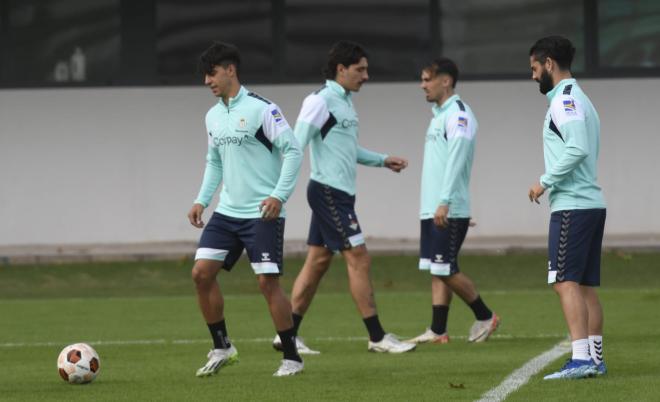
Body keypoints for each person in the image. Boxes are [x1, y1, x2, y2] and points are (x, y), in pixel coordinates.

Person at [272, 40, 415, 354]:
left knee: (318, 261)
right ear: (341, 69)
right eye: (360, 69)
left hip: (339, 195)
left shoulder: (345, 102)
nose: (366, 76)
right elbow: (295, 144)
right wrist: (279, 192)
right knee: (359, 258)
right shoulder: (319, 101)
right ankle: (377, 337)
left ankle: (287, 335)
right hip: (327, 193)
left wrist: (383, 159)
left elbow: (347, 149)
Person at [187, 41, 304, 377]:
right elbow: (214, 162)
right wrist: (201, 200)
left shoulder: (262, 109)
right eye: (204, 75)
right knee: (200, 274)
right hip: (227, 213)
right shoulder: (212, 116)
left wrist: (279, 196)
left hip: (262, 213)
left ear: (230, 71)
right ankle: (222, 346)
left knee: (268, 283)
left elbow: (293, 151)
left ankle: (292, 357)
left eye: (212, 73)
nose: (207, 81)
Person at [528, 36, 607, 380]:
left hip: (573, 205)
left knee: (564, 281)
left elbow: (576, 149)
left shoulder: (566, 100)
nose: (532, 76)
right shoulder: (580, 98)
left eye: (533, 68)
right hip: (589, 203)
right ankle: (594, 358)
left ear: (548, 63)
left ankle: (581, 359)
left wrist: (544, 180)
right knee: (583, 285)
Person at [405, 58, 499, 346]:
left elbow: (457, 161)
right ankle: (438, 330)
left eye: (427, 79)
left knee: (444, 267)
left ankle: (486, 316)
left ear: (445, 81)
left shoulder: (459, 115)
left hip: (446, 207)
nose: (422, 85)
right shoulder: (438, 115)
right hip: (435, 207)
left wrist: (448, 202)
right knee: (438, 267)